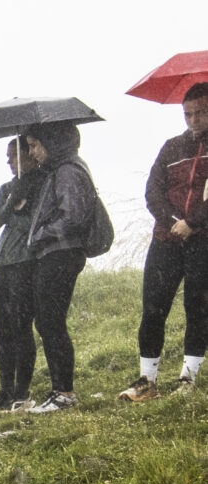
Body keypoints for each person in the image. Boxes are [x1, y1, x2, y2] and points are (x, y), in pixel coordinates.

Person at [119, 82, 208, 402]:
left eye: (201, 113)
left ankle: (188, 379)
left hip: (203, 241)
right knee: (153, 309)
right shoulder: (171, 147)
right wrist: (174, 223)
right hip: (165, 239)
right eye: (188, 114)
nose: (194, 120)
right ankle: (147, 381)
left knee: (198, 308)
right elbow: (153, 192)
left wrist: (193, 223)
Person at [20, 122, 99, 414]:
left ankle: (64, 392)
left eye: (34, 145)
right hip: (56, 253)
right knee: (47, 321)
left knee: (51, 321)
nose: (32, 152)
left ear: (52, 142)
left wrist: (39, 235)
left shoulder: (67, 170)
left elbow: (73, 217)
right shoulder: (58, 170)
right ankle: (60, 390)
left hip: (61, 254)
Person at [0, 138, 42, 410]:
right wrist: (11, 202)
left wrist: (20, 208)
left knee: (21, 327)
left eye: (14, 156)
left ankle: (22, 391)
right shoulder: (7, 188)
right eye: (8, 157)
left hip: (24, 263)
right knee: (3, 330)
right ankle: (5, 389)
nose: (9, 161)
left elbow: (33, 225)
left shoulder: (42, 184)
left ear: (29, 154)